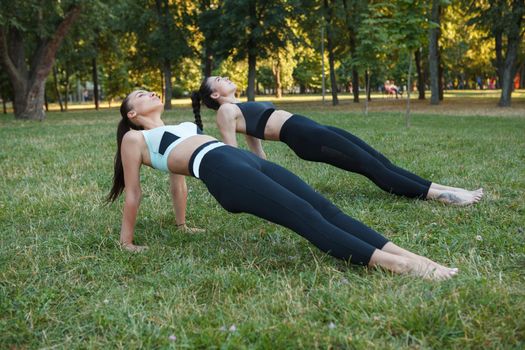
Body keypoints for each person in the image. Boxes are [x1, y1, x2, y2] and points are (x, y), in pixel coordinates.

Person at [107, 89, 459, 280]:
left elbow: (177, 183)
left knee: (326, 208)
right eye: (140, 94)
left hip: (243, 162)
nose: (150, 92)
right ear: (131, 115)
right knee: (307, 217)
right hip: (223, 171)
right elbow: (134, 192)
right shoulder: (136, 140)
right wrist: (127, 242)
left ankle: (411, 256)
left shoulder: (183, 126)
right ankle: (399, 266)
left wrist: (182, 225)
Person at [191, 76, 483, 206]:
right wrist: (259, 183)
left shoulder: (238, 106)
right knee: (371, 166)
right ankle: (445, 197)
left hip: (312, 128)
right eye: (218, 78)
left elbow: (257, 147)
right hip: (305, 137)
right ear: (215, 95)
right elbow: (234, 154)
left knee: (379, 160)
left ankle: (446, 188)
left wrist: (270, 174)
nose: (225, 77)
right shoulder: (226, 111)